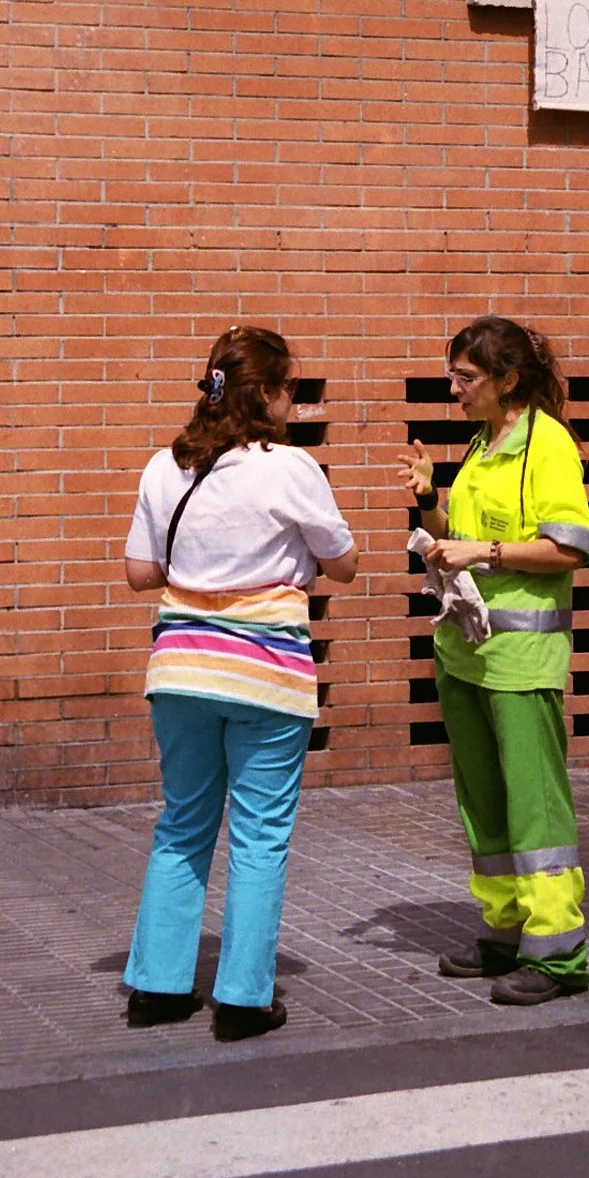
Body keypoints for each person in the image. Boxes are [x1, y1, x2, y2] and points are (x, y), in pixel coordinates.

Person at [122, 325, 358, 1041]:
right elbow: (344, 564)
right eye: (292, 390)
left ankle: (157, 987)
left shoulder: (165, 466)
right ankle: (243, 998)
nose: (296, 404)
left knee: (182, 823)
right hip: (266, 674)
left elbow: (139, 572)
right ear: (268, 395)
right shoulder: (291, 469)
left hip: (181, 669)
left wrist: (203, 569)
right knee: (259, 835)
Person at [398, 315, 589, 1006]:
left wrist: (483, 551)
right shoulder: (483, 444)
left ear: (508, 380)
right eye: (452, 376)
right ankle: (506, 931)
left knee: (535, 805)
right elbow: (457, 538)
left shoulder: (548, 446)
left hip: (522, 659)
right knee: (484, 801)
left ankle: (559, 951)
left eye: (466, 377)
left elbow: (570, 547)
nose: (454, 389)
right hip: (466, 653)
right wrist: (431, 500)